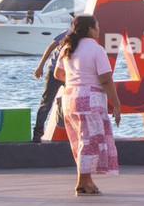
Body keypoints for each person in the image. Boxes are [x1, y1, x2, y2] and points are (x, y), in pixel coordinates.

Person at [50, 14, 121, 194]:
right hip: (91, 99)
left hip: (70, 98)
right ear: (89, 29)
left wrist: (76, 81)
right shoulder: (97, 50)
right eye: (97, 27)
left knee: (80, 140)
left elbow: (58, 74)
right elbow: (106, 79)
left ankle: (86, 181)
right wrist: (117, 104)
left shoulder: (68, 47)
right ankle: (82, 182)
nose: (99, 30)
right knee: (90, 142)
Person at [32, 31, 67, 143]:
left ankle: (65, 124)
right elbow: (51, 47)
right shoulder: (67, 33)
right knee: (46, 103)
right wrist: (40, 66)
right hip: (53, 72)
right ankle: (37, 135)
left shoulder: (85, 38)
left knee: (72, 101)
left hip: (70, 73)